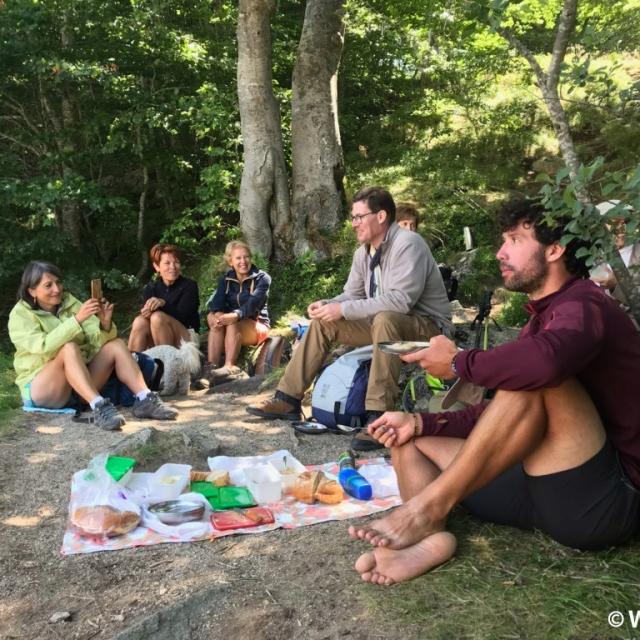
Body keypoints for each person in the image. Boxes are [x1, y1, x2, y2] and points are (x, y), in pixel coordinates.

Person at [348, 198, 640, 585]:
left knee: (537, 377)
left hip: (605, 499)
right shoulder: (540, 323)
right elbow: (501, 416)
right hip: (543, 489)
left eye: (515, 240)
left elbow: (543, 370)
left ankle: (426, 509)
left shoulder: (584, 304)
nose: (501, 251)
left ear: (555, 250)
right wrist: (419, 421)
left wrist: (458, 362)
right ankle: (431, 540)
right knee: (410, 437)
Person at [247, 186, 453, 451]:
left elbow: (401, 301)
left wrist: (343, 310)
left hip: (429, 328)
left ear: (381, 216)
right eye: (352, 217)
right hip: (385, 325)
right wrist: (329, 305)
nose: (353, 224)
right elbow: (352, 294)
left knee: (385, 319)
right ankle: (287, 398)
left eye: (359, 217)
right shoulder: (363, 252)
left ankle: (378, 417)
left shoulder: (408, 243)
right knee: (324, 323)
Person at [8, 261, 178, 430]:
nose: (57, 289)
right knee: (69, 348)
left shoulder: (69, 301)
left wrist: (104, 325)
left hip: (78, 386)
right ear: (32, 291)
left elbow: (97, 343)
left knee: (116, 345)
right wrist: (76, 321)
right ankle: (99, 406)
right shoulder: (20, 314)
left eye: (58, 282)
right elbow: (43, 347)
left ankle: (145, 398)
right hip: (44, 388)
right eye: (48, 285)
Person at [205, 240, 271, 380]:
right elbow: (217, 304)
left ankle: (229, 367)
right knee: (217, 321)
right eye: (238, 258)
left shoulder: (262, 278)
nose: (243, 261)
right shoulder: (226, 279)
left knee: (232, 322)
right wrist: (216, 316)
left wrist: (235, 315)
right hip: (231, 324)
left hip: (258, 327)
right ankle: (210, 371)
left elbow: (252, 304)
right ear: (230, 262)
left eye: (246, 256)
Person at [128, 243, 200, 351]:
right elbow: (146, 317)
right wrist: (146, 312)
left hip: (186, 337)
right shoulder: (151, 288)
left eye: (176, 262)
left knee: (157, 317)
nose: (173, 267)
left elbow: (184, 317)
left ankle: (167, 364)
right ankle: (132, 363)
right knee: (140, 321)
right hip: (158, 337)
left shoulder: (189, 286)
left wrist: (163, 304)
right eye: (167, 263)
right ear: (157, 267)